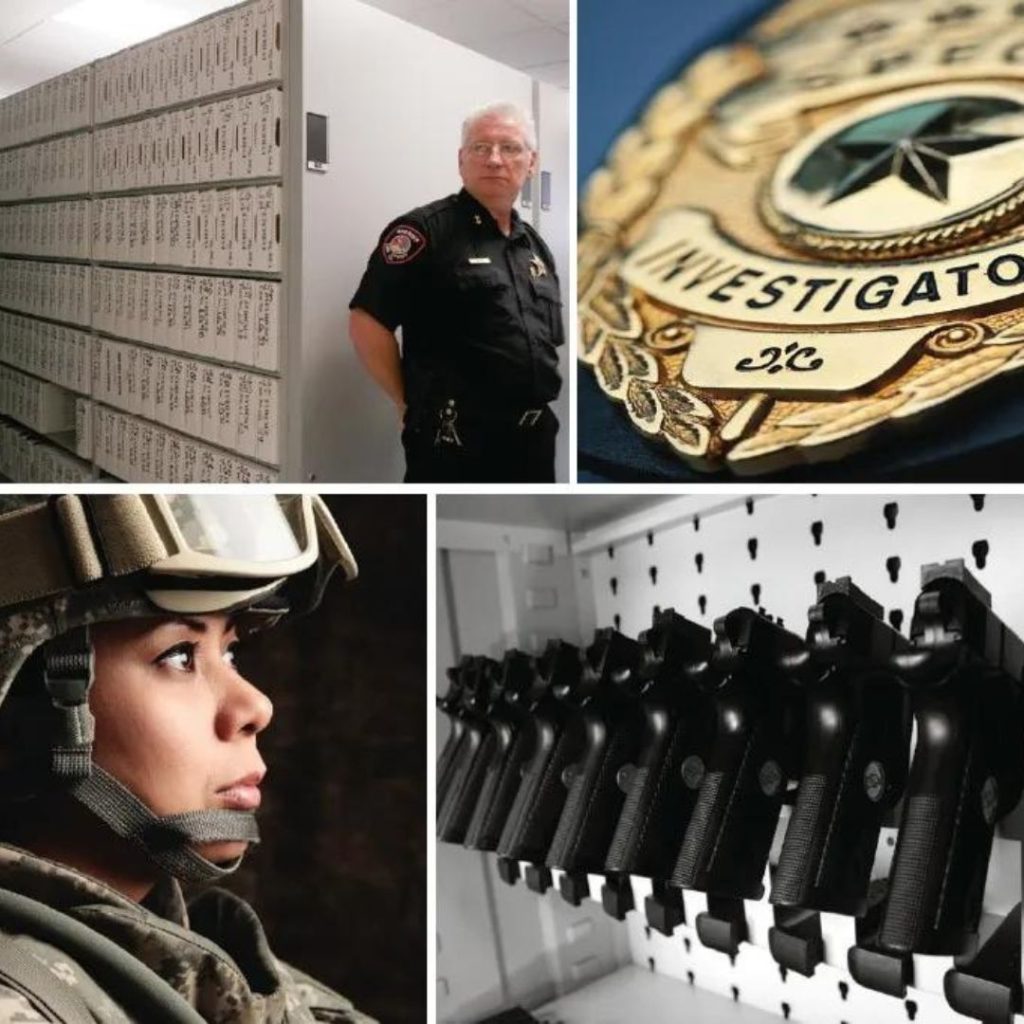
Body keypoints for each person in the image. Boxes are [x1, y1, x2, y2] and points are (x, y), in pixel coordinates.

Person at [0, 494, 375, 1024]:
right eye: (179, 655)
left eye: (229, 651)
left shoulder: (204, 975)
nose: (255, 707)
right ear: (21, 711)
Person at [349, 102, 563, 483]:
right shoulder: (424, 232)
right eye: (481, 148)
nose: (494, 159)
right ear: (461, 160)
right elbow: (367, 321)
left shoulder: (534, 246)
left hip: (534, 437)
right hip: (456, 440)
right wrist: (406, 401)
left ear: (532, 163)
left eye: (510, 148)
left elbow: (548, 341)